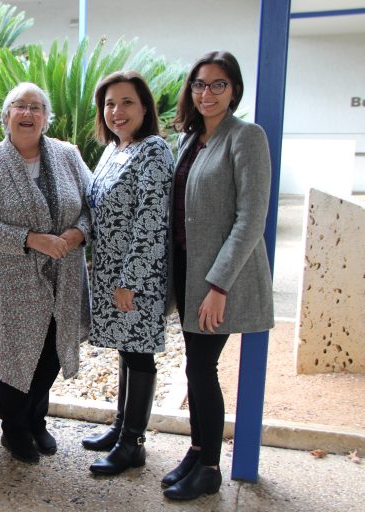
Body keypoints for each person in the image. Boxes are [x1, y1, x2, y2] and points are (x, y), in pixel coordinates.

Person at [162, 51, 273, 500]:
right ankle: (196, 449)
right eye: (200, 85)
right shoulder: (192, 138)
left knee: (203, 370)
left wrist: (218, 285)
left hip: (219, 279)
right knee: (194, 369)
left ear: (234, 90)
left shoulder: (246, 137)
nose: (207, 93)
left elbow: (250, 218)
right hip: (188, 273)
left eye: (218, 85)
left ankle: (209, 468)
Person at [0, 82, 91, 463]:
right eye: (19, 106)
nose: (28, 113)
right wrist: (31, 239)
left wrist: (77, 233)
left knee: (52, 352)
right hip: (12, 283)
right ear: (5, 117)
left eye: (36, 107)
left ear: (46, 118)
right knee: (20, 358)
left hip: (64, 278)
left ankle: (37, 420)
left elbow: (92, 202)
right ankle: (14, 430)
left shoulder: (68, 156)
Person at [81, 71, 175, 475]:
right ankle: (121, 428)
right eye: (109, 104)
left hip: (136, 276)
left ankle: (133, 443)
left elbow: (151, 221)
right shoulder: (115, 149)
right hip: (109, 273)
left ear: (145, 108)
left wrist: (129, 281)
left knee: (139, 353)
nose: (116, 112)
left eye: (127, 103)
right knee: (126, 348)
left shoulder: (153, 150)